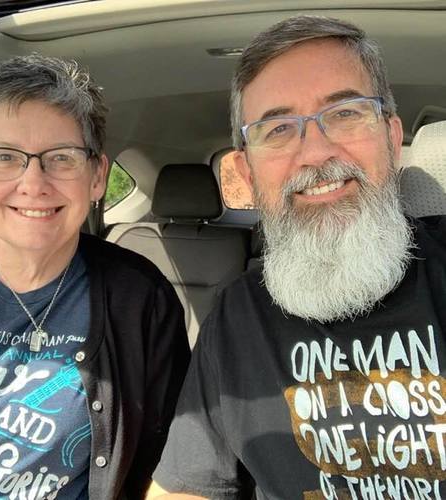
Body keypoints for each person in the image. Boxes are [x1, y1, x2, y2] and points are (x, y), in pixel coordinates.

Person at [147, 15, 446, 500]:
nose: (315, 152)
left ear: (392, 138)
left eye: (345, 113)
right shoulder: (235, 316)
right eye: (278, 129)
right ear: (248, 173)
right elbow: (185, 489)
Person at [0, 54, 190, 500]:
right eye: (4, 157)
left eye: (61, 158)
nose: (33, 183)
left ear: (97, 177)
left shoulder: (142, 300)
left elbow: (169, 465)